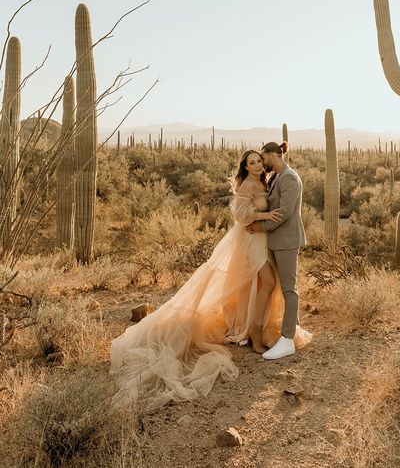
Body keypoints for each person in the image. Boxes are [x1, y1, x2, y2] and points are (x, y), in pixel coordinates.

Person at [110, 149, 312, 412]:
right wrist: (263, 217)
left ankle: (251, 326)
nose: (257, 165)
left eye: (260, 161)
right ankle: (254, 330)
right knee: (269, 282)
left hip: (263, 240)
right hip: (252, 239)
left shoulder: (267, 181)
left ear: (267, 161)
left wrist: (265, 220)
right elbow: (241, 215)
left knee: (262, 285)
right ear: (245, 166)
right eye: (252, 162)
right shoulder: (249, 185)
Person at [246, 141, 306, 360]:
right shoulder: (277, 177)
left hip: (287, 241)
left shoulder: (290, 177)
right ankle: (295, 330)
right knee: (283, 288)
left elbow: (285, 212)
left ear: (273, 155)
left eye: (264, 158)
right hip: (276, 241)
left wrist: (261, 226)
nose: (262, 162)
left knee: (290, 290)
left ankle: (288, 340)